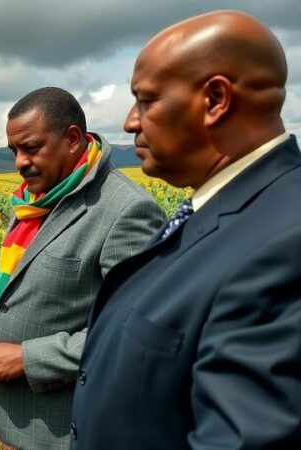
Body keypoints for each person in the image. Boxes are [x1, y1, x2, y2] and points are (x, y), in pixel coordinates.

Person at [70, 11, 301, 450]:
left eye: (147, 100)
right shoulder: (222, 210)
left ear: (216, 99)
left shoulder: (287, 245)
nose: (130, 122)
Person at [0, 87, 164, 450]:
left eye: (31, 148)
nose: (19, 163)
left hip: (71, 428)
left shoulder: (125, 211)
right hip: (19, 417)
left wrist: (27, 358)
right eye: (14, 151)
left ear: (72, 139)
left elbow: (134, 333)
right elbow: (6, 289)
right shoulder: (32, 202)